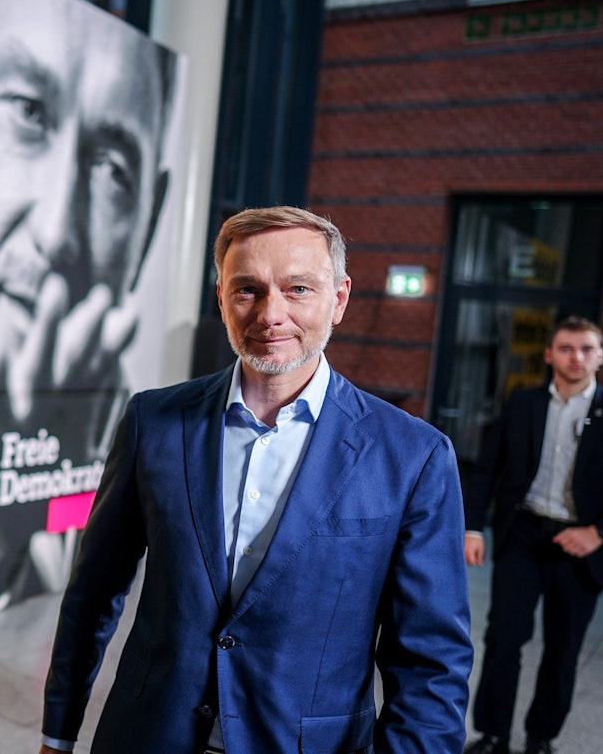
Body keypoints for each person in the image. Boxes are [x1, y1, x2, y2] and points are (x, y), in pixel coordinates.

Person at [37, 206, 473, 754]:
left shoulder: (413, 456)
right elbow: (93, 594)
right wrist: (58, 732)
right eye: (247, 290)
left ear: (337, 300)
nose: (271, 314)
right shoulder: (153, 423)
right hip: (149, 736)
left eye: (297, 289)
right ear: (220, 298)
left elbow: (431, 662)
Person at [0, 0, 177, 621]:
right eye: (29, 112)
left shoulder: (138, 456)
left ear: (149, 222)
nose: (58, 228)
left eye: (110, 167)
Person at [461, 317, 603, 754]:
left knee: (562, 648)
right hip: (525, 534)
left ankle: (540, 739)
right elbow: (487, 468)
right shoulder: (523, 404)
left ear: (601, 355)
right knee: (503, 638)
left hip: (582, 548)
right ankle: (492, 734)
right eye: (568, 348)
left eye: (587, 349)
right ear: (549, 355)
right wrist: (473, 526)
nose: (578, 357)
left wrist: (600, 532)